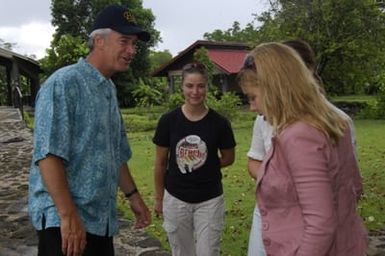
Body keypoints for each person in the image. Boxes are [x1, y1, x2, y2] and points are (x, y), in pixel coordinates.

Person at [28, 5, 151, 256]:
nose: (131, 50)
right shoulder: (63, 84)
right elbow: (48, 155)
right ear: (99, 41)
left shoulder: (108, 89)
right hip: (64, 225)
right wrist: (68, 215)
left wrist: (133, 196)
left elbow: (114, 151)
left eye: (134, 44)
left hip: (100, 221)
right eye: (124, 41)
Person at [238, 42, 367, 256]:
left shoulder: (299, 135)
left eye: (253, 97)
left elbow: (320, 225)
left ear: (274, 89)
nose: (252, 107)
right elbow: (355, 187)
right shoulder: (334, 122)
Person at [153, 62, 236, 256]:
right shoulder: (168, 121)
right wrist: (159, 199)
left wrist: (203, 163)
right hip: (176, 198)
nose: (195, 91)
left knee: (208, 252)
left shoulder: (220, 123)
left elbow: (229, 157)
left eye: (201, 86)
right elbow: (160, 163)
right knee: (182, 252)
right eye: (190, 86)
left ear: (207, 86)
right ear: (182, 86)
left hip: (210, 200)